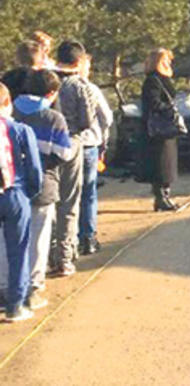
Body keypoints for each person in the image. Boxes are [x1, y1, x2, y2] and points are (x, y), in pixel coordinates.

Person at [8, 71, 76, 304]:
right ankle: (32, 288)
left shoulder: (10, 112)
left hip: (9, 186)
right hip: (43, 185)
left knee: (7, 238)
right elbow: (64, 153)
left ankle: (6, 285)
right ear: (52, 93)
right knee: (38, 238)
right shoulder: (53, 118)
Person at [0, 82, 43, 322]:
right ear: (7, 103)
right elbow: (34, 168)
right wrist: (32, 192)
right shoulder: (20, 130)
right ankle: (16, 305)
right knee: (18, 251)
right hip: (15, 193)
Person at [55, 41, 101, 261]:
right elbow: (88, 120)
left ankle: (54, 250)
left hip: (49, 145)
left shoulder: (46, 81)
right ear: (79, 62)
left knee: (54, 199)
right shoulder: (80, 86)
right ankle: (74, 246)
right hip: (76, 143)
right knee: (76, 199)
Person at [78, 55, 112, 255]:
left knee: (68, 196)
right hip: (89, 143)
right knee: (88, 193)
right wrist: (103, 143)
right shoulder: (91, 89)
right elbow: (106, 117)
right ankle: (88, 237)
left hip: (64, 147)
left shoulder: (58, 88)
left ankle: (69, 240)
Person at [142, 48, 180, 212]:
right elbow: (153, 103)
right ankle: (161, 197)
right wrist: (168, 108)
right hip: (158, 128)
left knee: (167, 164)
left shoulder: (162, 79)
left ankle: (165, 195)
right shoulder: (153, 81)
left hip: (166, 128)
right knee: (161, 165)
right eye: (166, 60)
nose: (169, 63)